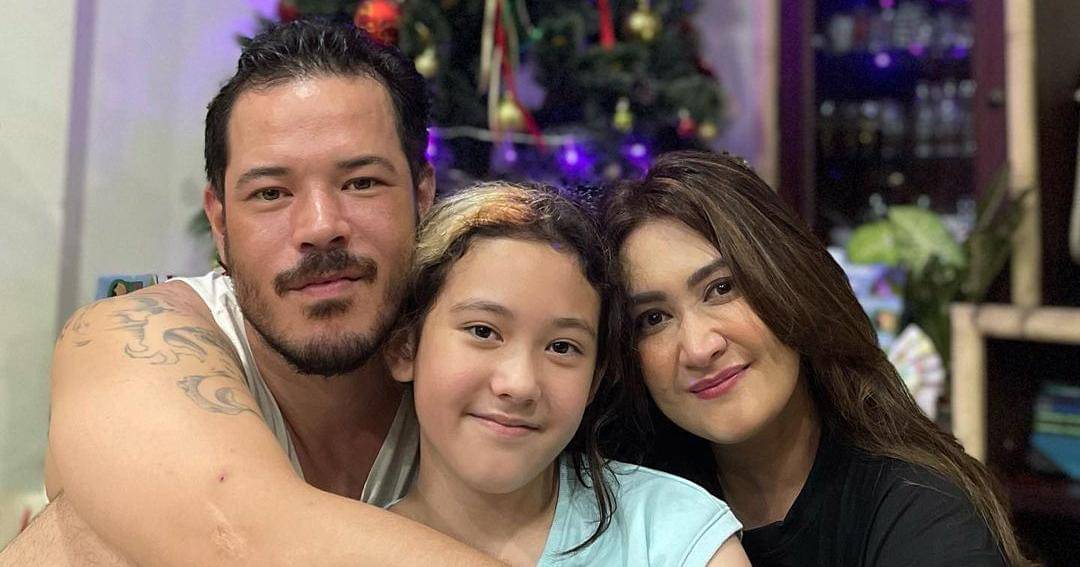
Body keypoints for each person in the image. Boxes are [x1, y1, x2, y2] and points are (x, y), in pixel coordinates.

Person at [0, 20, 499, 566]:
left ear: (422, 195)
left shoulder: (498, 349)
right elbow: (237, 537)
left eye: (361, 182)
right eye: (270, 193)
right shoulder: (135, 338)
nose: (320, 226)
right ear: (219, 223)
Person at [602, 150, 1031, 566]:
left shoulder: (922, 511)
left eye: (722, 288)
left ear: (789, 282)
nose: (699, 347)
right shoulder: (618, 504)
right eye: (653, 318)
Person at [381, 181, 749, 566]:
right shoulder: (347, 546)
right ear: (405, 347)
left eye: (561, 347)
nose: (519, 385)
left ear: (594, 380)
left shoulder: (673, 534)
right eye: (483, 331)